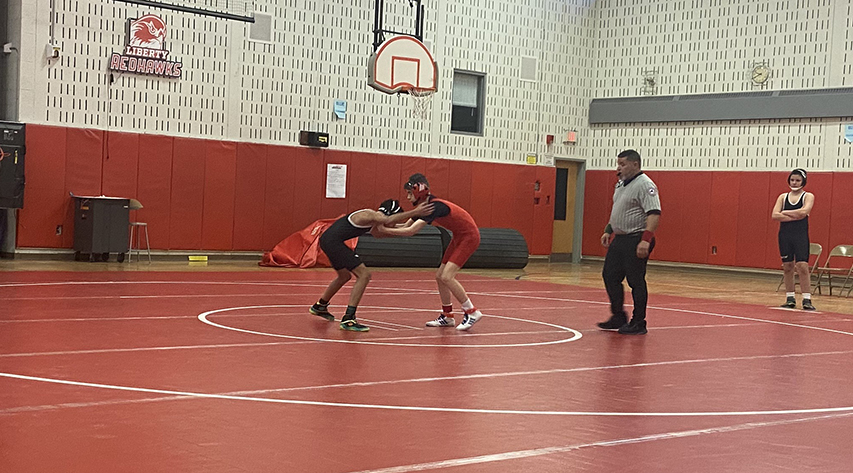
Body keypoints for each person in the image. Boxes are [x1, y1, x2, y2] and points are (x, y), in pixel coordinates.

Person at [372, 173, 485, 331]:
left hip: (469, 237)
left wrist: (386, 230)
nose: (407, 196)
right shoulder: (424, 206)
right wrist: (387, 228)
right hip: (460, 236)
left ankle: (471, 311)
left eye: (409, 193)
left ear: (419, 190)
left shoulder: (433, 206)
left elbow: (411, 231)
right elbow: (405, 226)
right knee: (440, 276)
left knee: (447, 276)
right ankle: (447, 316)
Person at [309, 199, 433, 331]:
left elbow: (378, 233)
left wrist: (408, 229)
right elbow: (385, 220)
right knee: (364, 275)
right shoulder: (369, 214)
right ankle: (349, 318)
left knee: (344, 276)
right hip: (333, 243)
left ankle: (320, 306)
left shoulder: (372, 221)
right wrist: (415, 212)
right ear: (390, 213)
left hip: (329, 241)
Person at [597, 149, 661, 335]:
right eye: (618, 164)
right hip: (621, 238)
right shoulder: (621, 184)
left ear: (635, 164)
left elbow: (654, 213)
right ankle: (618, 315)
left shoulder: (645, 185)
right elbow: (618, 209)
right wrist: (609, 230)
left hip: (636, 238)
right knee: (610, 275)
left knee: (635, 281)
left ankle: (638, 321)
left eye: (623, 164)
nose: (619, 168)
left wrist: (645, 241)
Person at [771, 168, 815, 310]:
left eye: (797, 180)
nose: (794, 183)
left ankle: (806, 299)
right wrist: (795, 215)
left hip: (800, 235)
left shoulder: (808, 196)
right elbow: (775, 215)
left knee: (802, 266)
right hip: (785, 235)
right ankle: (790, 298)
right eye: (792, 180)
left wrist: (786, 213)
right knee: (787, 266)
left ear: (803, 181)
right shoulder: (783, 197)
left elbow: (804, 212)